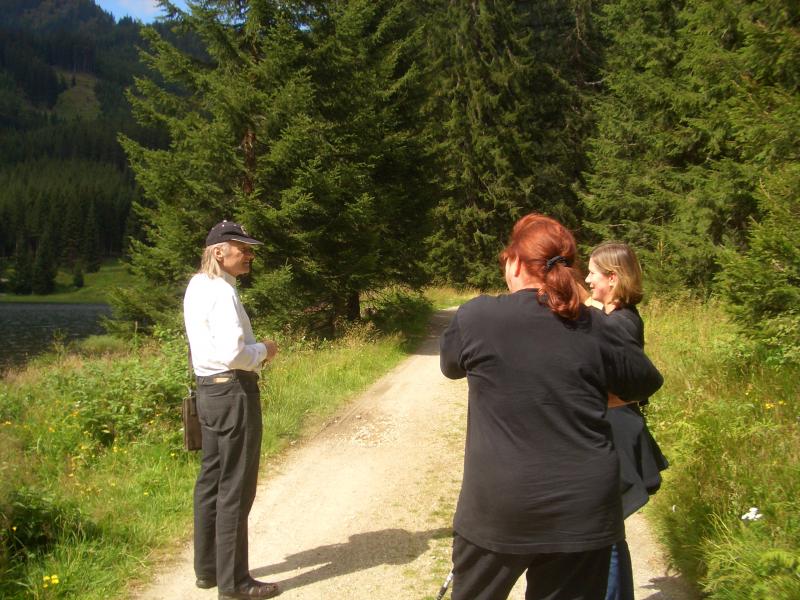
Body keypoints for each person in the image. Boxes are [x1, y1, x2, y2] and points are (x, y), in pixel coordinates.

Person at [439, 213, 664, 600]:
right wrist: (587, 394)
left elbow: (450, 365)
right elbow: (645, 383)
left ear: (514, 263)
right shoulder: (595, 324)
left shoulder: (477, 316)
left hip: (500, 506)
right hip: (583, 510)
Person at [183, 220, 281, 600]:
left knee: (211, 481)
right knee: (235, 489)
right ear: (219, 252)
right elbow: (234, 355)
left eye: (250, 249)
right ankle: (235, 583)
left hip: (208, 392)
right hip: (233, 392)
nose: (250, 255)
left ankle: (208, 570)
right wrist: (264, 351)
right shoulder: (222, 293)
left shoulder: (197, 286)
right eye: (243, 248)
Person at [585, 242, 669, 600]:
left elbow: (632, 380)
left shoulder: (620, 323)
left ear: (613, 278)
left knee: (607, 531)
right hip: (616, 427)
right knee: (607, 529)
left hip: (617, 432)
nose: (587, 279)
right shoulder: (616, 318)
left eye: (593, 272)